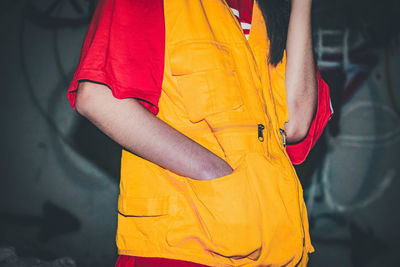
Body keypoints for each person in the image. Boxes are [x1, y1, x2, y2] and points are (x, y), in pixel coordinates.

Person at [66, 0, 332, 266]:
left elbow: (294, 124)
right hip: (182, 249)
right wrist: (212, 172)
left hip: (274, 251)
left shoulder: (267, 11)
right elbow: (97, 97)